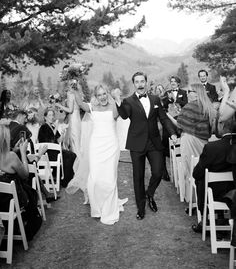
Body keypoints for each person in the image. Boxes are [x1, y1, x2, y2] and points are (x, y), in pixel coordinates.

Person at [113, 72, 177, 220]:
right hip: (137, 143)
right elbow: (124, 115)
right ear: (134, 84)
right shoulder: (129, 101)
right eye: (137, 82)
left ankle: (149, 193)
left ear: (146, 83)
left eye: (142, 81)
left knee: (158, 171)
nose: (140, 84)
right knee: (138, 176)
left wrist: (172, 133)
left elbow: (163, 118)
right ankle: (141, 208)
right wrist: (118, 101)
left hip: (154, 142)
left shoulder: (155, 99)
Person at [73, 84, 128, 225]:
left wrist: (118, 99)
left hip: (111, 146)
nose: (102, 97)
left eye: (104, 94)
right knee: (95, 178)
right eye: (99, 95)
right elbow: (79, 103)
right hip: (96, 146)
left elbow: (122, 114)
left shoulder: (114, 107)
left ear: (107, 94)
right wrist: (75, 89)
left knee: (109, 178)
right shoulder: (91, 107)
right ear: (95, 97)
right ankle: (97, 208)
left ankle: (109, 209)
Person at [168, 83, 216, 203]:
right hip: (204, 143)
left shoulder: (190, 107)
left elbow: (180, 125)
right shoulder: (208, 107)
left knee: (189, 171)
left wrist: (167, 115)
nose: (187, 94)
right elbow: (212, 129)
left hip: (189, 141)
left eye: (190, 91)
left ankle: (192, 200)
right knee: (203, 171)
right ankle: (204, 200)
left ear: (197, 93)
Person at [191, 117, 236, 233]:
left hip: (214, 194)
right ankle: (221, 218)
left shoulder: (212, 147)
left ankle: (205, 220)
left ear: (221, 126)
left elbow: (196, 173)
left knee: (200, 179)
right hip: (233, 192)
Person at [0, 125, 42, 241]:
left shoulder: (10, 154)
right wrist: (23, 153)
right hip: (12, 201)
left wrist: (14, 149)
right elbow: (25, 175)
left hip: (1, 201)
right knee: (31, 193)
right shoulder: (11, 157)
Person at [38, 108, 76, 187]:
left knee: (72, 155)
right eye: (50, 115)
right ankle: (65, 181)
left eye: (53, 115)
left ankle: (67, 179)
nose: (52, 117)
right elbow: (50, 141)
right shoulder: (43, 127)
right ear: (45, 117)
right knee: (69, 156)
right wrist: (56, 127)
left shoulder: (52, 126)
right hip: (48, 153)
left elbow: (58, 140)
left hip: (54, 151)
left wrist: (62, 133)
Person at [162, 76, 188, 181]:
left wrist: (176, 100)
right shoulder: (166, 93)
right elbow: (163, 106)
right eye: (171, 81)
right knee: (164, 144)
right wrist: (168, 100)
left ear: (178, 83)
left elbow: (186, 104)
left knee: (180, 144)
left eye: (174, 82)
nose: (172, 83)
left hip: (181, 121)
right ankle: (165, 172)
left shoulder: (184, 92)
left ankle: (181, 172)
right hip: (169, 121)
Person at [55, 81, 81, 159]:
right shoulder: (77, 93)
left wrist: (59, 105)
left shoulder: (70, 94)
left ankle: (77, 161)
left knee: (74, 141)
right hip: (77, 118)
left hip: (73, 119)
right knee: (77, 140)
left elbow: (70, 110)